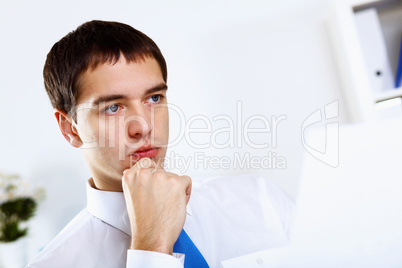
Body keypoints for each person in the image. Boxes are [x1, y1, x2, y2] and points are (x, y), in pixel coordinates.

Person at [26, 20, 295, 268]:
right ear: (69, 129)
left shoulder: (259, 200)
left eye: (154, 98)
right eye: (113, 108)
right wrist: (151, 248)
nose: (143, 126)